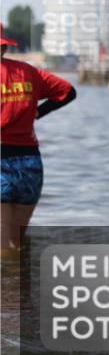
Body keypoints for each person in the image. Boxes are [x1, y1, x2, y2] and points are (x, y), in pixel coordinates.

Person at [1, 25, 76, 254]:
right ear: (4, 47)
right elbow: (68, 92)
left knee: (3, 248)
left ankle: (10, 278)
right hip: (30, 165)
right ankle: (24, 276)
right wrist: (39, 112)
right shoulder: (29, 72)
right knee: (17, 243)